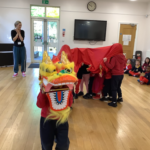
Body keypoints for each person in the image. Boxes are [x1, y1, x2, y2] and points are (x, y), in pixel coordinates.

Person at [37, 84, 73, 150]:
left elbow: (69, 104)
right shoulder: (45, 87)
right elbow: (40, 104)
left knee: (63, 144)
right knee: (46, 144)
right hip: (47, 119)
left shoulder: (66, 87)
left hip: (61, 119)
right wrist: (42, 92)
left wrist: (70, 90)